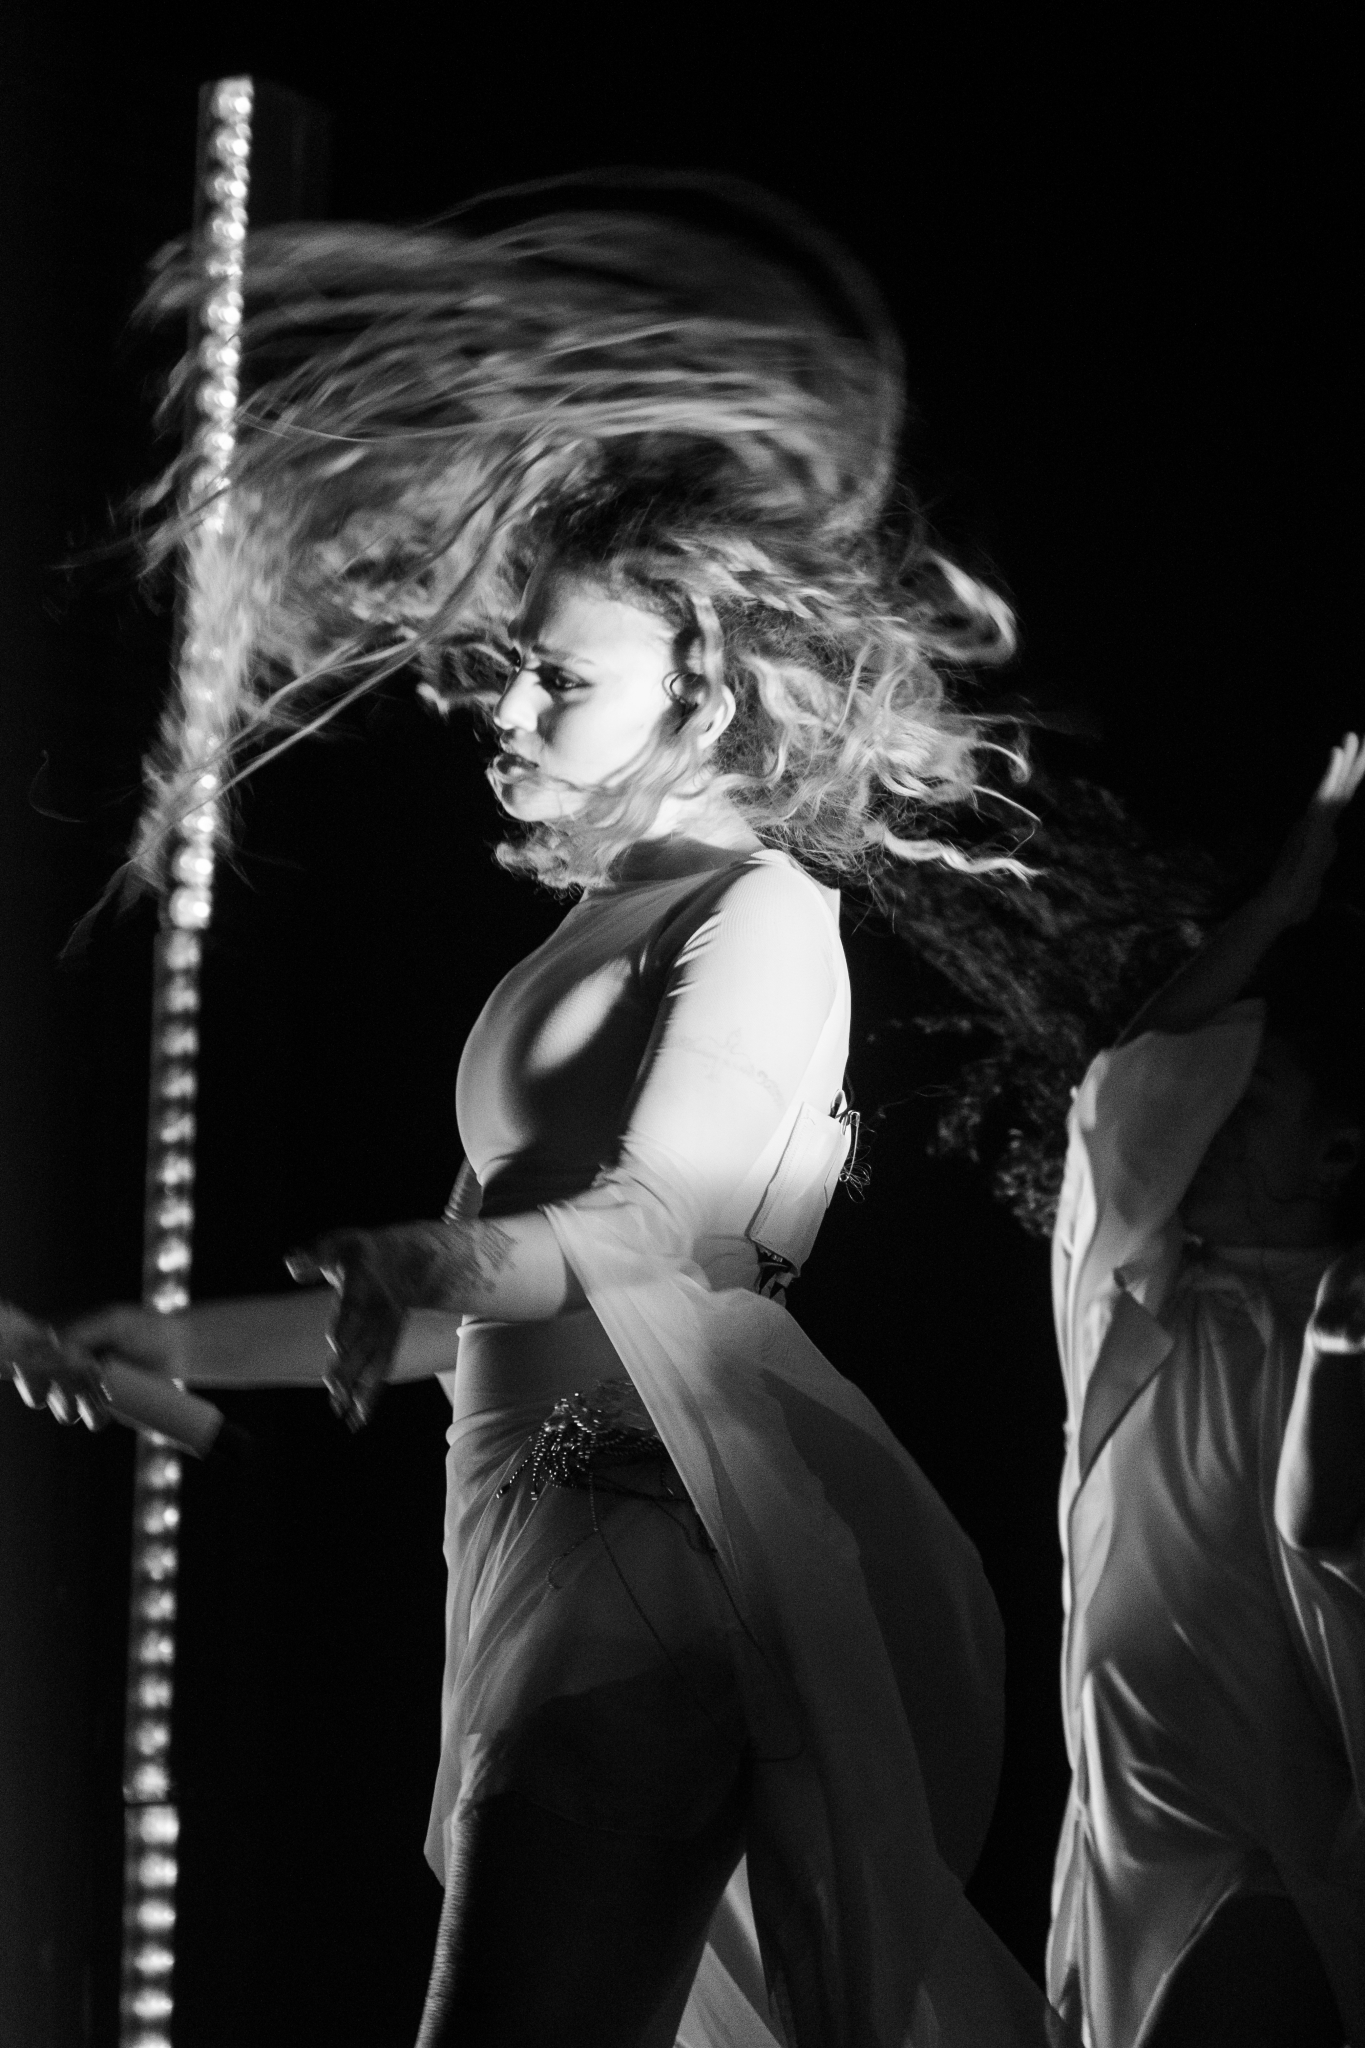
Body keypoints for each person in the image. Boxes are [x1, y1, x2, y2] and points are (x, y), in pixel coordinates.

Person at [6, 182, 1056, 2045]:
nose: (509, 704)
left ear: (705, 696)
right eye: (516, 665)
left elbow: (642, 1234)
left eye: (564, 677)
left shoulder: (760, 911)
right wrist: (176, 1341)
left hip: (634, 1550)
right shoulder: (605, 924)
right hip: (551, 1539)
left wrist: (439, 1253)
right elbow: (462, 1308)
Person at [1047, 732, 1365, 2046]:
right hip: (1111, 1835)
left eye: (1254, 1100)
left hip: (1263, 1841)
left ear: (1336, 1152)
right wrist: (1273, 912)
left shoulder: (1341, 1317)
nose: (1209, 1120)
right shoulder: (1134, 1296)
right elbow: (1123, 1092)